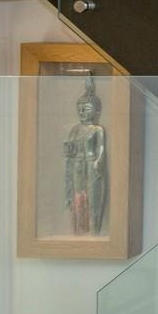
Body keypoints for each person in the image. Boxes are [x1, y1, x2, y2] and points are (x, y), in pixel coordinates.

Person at [62, 75, 108, 236]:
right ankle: (79, 230)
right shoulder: (75, 129)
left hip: (91, 164)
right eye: (80, 109)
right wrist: (68, 157)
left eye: (86, 109)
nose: (82, 112)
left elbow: (101, 149)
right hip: (77, 166)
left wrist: (98, 162)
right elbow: (68, 151)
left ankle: (94, 228)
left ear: (96, 111)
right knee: (78, 195)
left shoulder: (97, 130)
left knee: (93, 196)